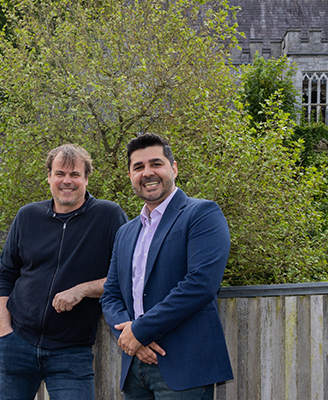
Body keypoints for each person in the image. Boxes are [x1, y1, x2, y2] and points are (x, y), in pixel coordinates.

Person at [100, 133, 233, 399]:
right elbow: (110, 294)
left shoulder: (202, 214)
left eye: (156, 164)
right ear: (130, 176)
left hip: (184, 367)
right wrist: (131, 339)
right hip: (134, 367)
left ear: (173, 168)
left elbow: (200, 285)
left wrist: (139, 331)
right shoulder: (125, 232)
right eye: (138, 167)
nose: (147, 173)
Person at [0, 144, 128, 400]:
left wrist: (83, 290)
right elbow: (5, 274)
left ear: (87, 178)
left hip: (72, 351)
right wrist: (5, 329)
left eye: (75, 174)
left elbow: (126, 276)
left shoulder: (108, 216)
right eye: (60, 173)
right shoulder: (26, 216)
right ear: (49, 177)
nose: (67, 181)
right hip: (17, 343)